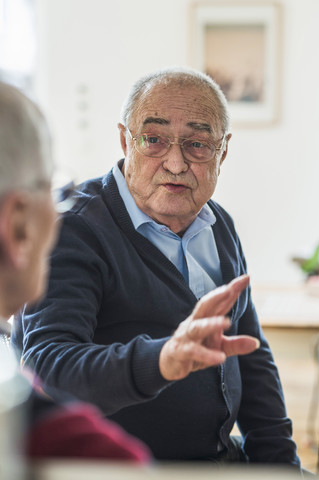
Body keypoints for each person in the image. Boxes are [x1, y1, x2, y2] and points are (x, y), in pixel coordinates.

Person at [13, 67, 301, 467]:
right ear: (124, 141)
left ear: (223, 151)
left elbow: (250, 356)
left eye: (198, 144)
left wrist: (279, 465)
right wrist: (163, 360)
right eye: (154, 140)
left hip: (220, 462)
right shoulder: (75, 227)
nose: (176, 163)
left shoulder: (217, 224)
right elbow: (48, 368)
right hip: (127, 471)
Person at [0, 81, 151, 463]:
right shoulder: (85, 453)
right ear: (17, 226)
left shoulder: (220, 226)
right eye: (55, 190)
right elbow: (50, 361)